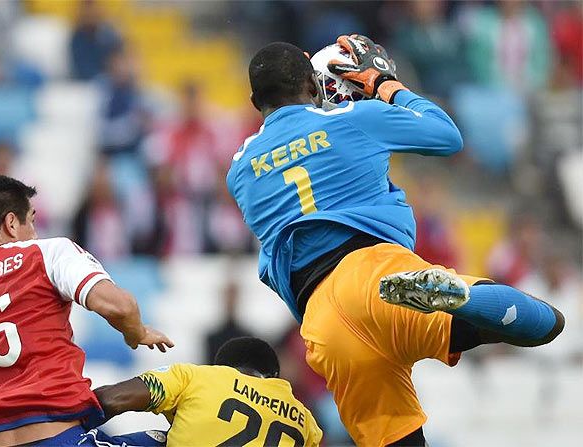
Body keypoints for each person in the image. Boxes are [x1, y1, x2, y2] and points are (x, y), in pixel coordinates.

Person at [226, 37, 564, 447]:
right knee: (545, 324)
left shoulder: (239, 170)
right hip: (376, 276)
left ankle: (452, 300)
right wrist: (385, 85)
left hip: (323, 324)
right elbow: (447, 136)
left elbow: (294, 156)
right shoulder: (353, 118)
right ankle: (457, 297)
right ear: (314, 86)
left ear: (253, 100)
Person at [0, 172, 173, 447]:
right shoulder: (44, 254)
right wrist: (136, 333)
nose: (35, 233)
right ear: (11, 223)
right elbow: (120, 307)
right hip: (56, 438)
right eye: (32, 221)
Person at [91, 336, 323, 446]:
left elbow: (112, 399)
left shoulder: (198, 378)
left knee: (157, 440)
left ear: (222, 368)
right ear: (273, 378)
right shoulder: (306, 422)